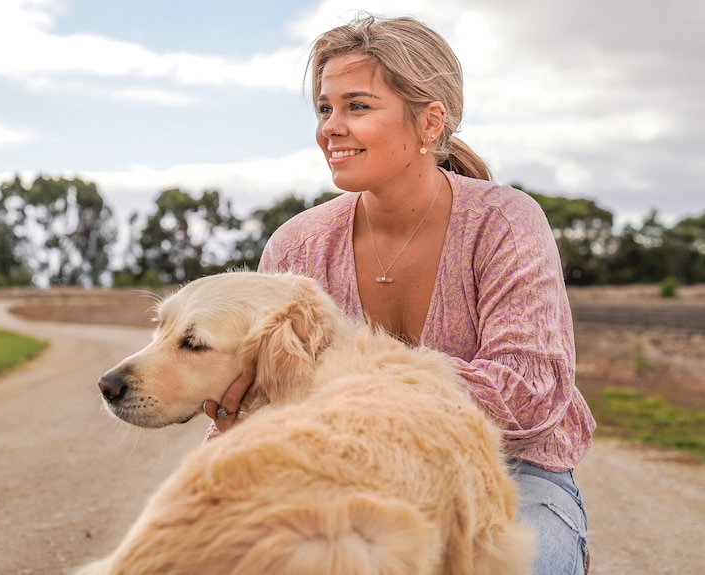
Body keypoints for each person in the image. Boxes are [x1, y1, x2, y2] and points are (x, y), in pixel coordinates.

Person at [202, 14, 594, 575]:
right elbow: (257, 397)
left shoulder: (504, 222)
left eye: (357, 107)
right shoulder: (296, 247)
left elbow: (526, 393)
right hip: (339, 477)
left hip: (506, 474)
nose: (330, 127)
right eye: (324, 108)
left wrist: (332, 383)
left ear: (430, 122)